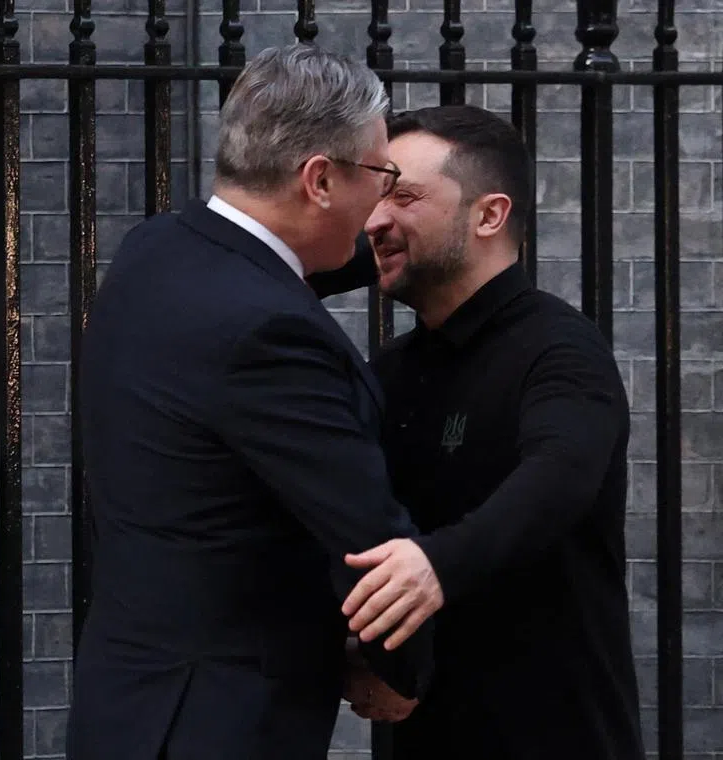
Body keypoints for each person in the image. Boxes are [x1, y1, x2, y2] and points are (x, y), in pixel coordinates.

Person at [66, 44, 443, 760]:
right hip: (219, 722)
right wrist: (400, 670)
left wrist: (424, 237)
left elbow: (272, 267)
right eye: (381, 176)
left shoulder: (158, 250)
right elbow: (366, 535)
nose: (382, 202)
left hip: (131, 701)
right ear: (319, 180)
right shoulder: (267, 335)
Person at [311, 105, 646, 759]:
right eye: (378, 197)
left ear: (489, 215)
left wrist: (436, 566)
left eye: (405, 197)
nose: (374, 220)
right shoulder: (391, 370)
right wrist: (360, 647)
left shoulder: (559, 349)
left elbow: (560, 479)